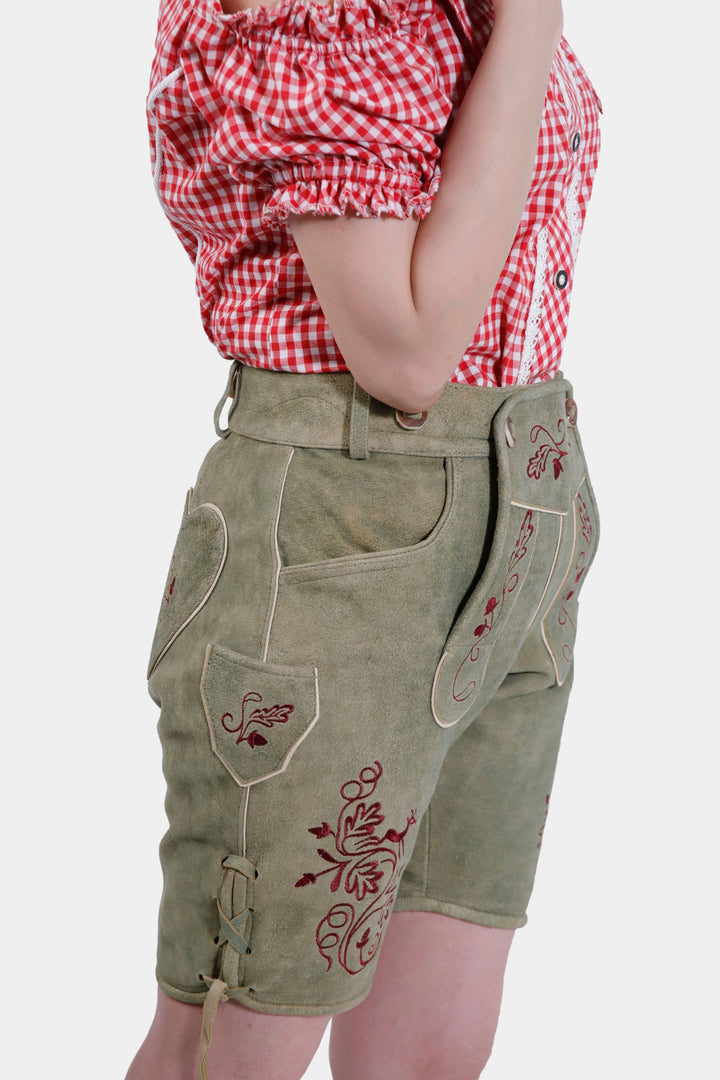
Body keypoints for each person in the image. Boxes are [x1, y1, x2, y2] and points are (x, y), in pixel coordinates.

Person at [127, 0, 602, 1076]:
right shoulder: (323, 12)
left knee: (429, 1056)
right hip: (343, 536)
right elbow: (406, 352)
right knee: (237, 1037)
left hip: (524, 514)